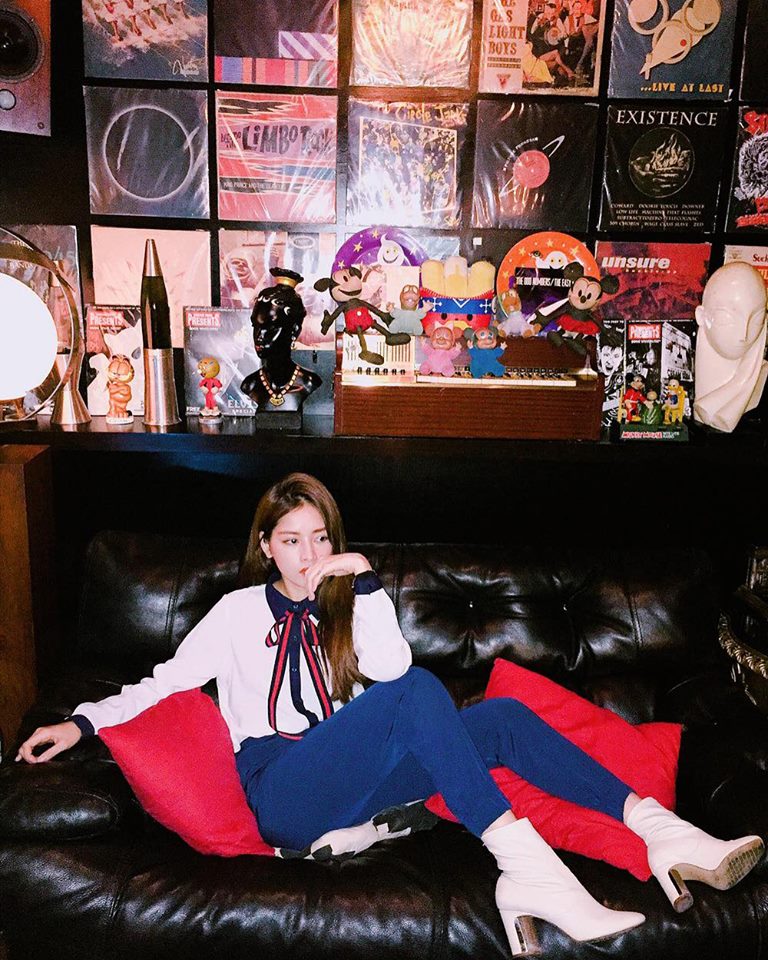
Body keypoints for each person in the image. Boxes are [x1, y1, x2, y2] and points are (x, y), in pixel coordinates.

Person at [17, 474, 764, 957]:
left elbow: (393, 669)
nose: (307, 554)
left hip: (358, 783)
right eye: (290, 541)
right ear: (266, 547)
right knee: (417, 694)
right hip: (283, 789)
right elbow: (164, 681)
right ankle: (526, 866)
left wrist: (366, 585)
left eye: (320, 539)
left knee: (498, 719)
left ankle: (658, 829)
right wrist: (81, 722)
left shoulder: (351, 603)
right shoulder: (237, 612)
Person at [240, 268, 321, 411]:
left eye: (270, 327)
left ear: (294, 330)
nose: (259, 335)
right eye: (255, 326)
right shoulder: (250, 385)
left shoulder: (309, 383)